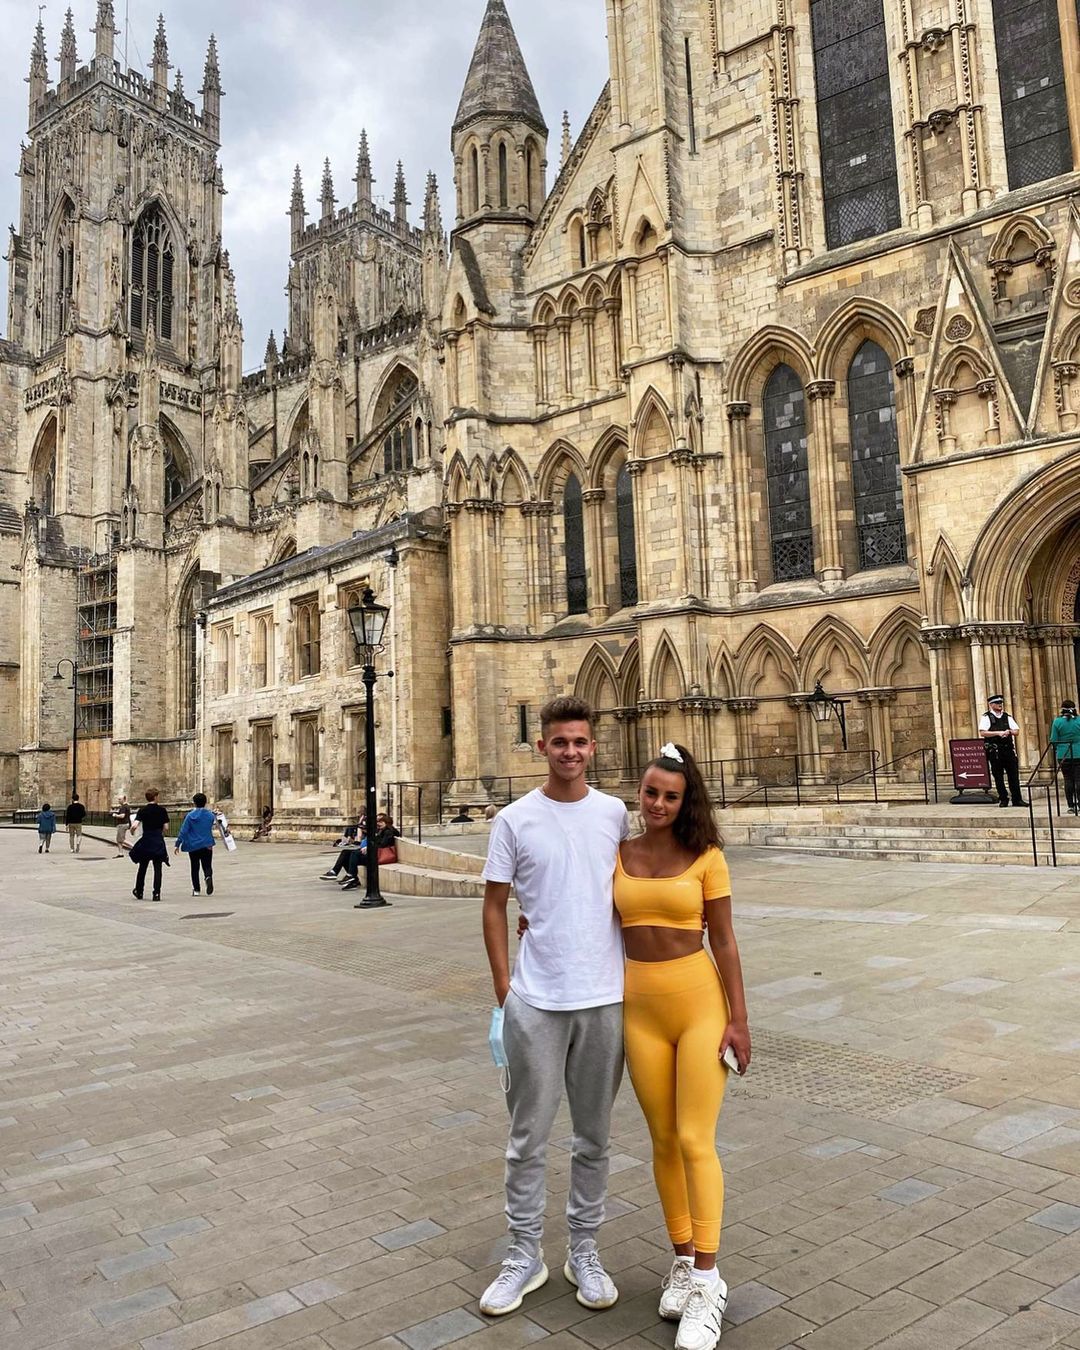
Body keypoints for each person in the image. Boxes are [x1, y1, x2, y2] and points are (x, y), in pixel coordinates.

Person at [479, 696, 628, 1319]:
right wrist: (504, 987)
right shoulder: (515, 819)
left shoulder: (617, 814)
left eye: (580, 742)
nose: (570, 751)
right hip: (536, 1000)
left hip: (606, 997)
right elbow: (493, 905)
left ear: (593, 747)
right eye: (559, 742)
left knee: (594, 1138)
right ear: (541, 746)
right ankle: (524, 1254)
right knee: (527, 1139)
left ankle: (584, 1249)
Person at [616, 743, 750, 1350]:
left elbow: (723, 941)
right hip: (638, 1009)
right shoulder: (616, 853)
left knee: (696, 1139)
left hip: (699, 1006)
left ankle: (708, 1278)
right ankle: (681, 1257)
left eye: (671, 796)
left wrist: (739, 1021)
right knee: (663, 1139)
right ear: (639, 793)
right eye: (651, 793)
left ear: (685, 799)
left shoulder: (707, 857)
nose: (659, 804)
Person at [978, 694, 1028, 808]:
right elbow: (982, 732)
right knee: (998, 776)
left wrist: (1009, 732)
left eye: (1001, 703)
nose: (1000, 705)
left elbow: (1016, 730)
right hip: (995, 751)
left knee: (1013, 775)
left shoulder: (1007, 716)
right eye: (997, 703)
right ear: (991, 705)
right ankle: (1003, 799)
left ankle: (1017, 799)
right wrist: (998, 733)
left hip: (1008, 750)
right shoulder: (986, 717)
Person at [340, 813, 400, 890]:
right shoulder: (381, 831)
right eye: (378, 822)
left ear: (387, 823)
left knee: (354, 854)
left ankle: (352, 876)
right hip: (375, 854)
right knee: (346, 853)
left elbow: (382, 845)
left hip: (379, 856)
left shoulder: (388, 832)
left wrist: (369, 847)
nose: (378, 824)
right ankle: (351, 877)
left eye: (381, 822)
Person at [130, 788, 170, 901]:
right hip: (157, 840)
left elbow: (134, 825)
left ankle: (139, 891)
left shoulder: (142, 811)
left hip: (147, 840)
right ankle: (156, 893)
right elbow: (166, 828)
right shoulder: (162, 810)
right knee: (158, 868)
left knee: (143, 867)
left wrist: (132, 832)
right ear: (156, 797)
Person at [175, 792, 216, 896]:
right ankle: (208, 876)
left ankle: (196, 889)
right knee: (207, 865)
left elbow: (184, 831)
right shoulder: (210, 815)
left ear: (194, 803)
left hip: (193, 845)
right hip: (207, 843)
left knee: (194, 867)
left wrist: (178, 843)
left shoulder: (190, 816)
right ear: (205, 802)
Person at [1050, 699, 1080, 814]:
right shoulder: (1079, 720)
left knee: (1068, 779)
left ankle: (1071, 805)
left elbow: (1053, 740)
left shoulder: (1057, 722)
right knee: (1078, 779)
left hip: (1063, 754)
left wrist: (1058, 749)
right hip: (1078, 753)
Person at [319, 815, 365, 879]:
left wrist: (360, 834)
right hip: (362, 852)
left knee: (352, 855)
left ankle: (351, 876)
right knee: (345, 853)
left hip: (369, 855)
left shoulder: (374, 834)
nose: (363, 830)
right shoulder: (366, 834)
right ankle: (335, 872)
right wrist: (352, 842)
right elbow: (361, 843)